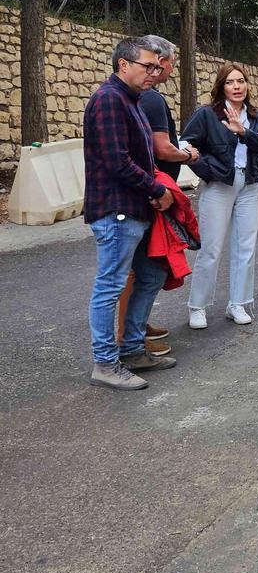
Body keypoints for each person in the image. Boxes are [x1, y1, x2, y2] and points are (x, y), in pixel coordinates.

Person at [82, 37, 178, 390]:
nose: (155, 73)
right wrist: (157, 190)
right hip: (116, 210)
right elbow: (117, 162)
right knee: (110, 285)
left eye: (157, 67)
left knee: (151, 274)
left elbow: (141, 158)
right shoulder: (109, 99)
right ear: (124, 65)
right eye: (148, 66)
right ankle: (105, 363)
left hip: (137, 208)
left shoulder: (132, 100)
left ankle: (134, 349)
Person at [114, 34, 198, 355]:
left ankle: (135, 329)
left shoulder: (141, 99)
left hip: (148, 193)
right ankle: (127, 337)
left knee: (144, 269)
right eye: (168, 63)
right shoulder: (147, 99)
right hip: (148, 196)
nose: (169, 69)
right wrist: (188, 156)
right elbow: (159, 148)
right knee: (140, 270)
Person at [181, 63, 258, 328]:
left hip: (249, 183)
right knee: (211, 248)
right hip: (220, 184)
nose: (237, 87)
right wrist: (206, 170)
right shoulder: (207, 115)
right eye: (230, 82)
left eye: (241, 81)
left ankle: (238, 303)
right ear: (221, 87)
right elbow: (186, 145)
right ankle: (197, 306)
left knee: (245, 246)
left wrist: (244, 132)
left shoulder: (255, 117)